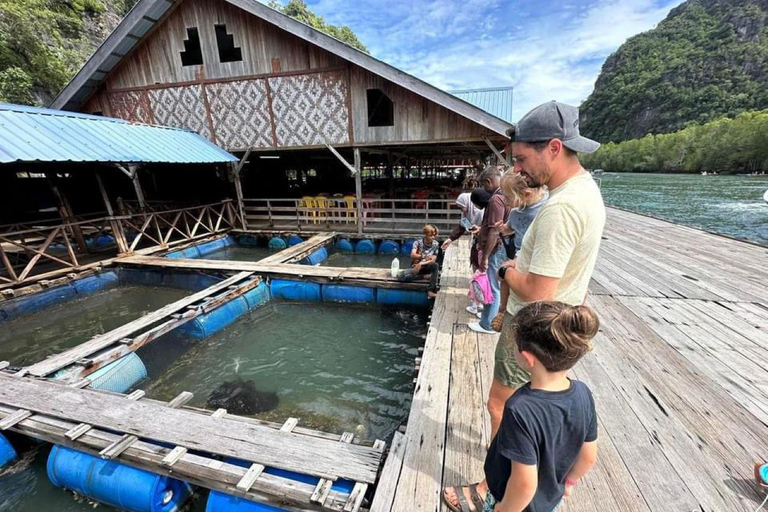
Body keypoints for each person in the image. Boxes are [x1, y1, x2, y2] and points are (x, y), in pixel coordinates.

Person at [444, 100, 605, 510]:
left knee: (503, 405)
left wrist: (508, 273)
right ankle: (541, 478)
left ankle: (490, 488)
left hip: (534, 325)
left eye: (521, 159)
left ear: (553, 147)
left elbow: (538, 290)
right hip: (559, 328)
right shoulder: (586, 191)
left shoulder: (561, 209)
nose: (517, 170)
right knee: (544, 405)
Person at [444, 301, 600, 512]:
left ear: (527, 358)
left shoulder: (520, 409)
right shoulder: (583, 393)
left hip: (514, 504)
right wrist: (569, 483)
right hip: (549, 500)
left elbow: (524, 484)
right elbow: (589, 455)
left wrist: (503, 510)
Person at [491, 173, 548, 331]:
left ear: (526, 194)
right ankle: (503, 309)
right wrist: (501, 228)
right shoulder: (516, 213)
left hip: (534, 255)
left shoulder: (546, 209)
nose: (506, 202)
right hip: (518, 253)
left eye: (508, 198)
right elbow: (510, 229)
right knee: (504, 277)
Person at [468, 168, 510, 334]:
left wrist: (484, 256)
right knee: (494, 285)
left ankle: (487, 324)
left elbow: (494, 230)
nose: (484, 190)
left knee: (491, 286)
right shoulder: (506, 196)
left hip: (495, 249)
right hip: (501, 246)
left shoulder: (495, 200)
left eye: (484, 186)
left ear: (488, 182)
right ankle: (488, 316)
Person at [397, 224, 440, 299]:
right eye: (431, 236)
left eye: (434, 236)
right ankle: (424, 277)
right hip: (416, 267)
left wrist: (421, 263)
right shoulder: (417, 243)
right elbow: (412, 255)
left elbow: (433, 259)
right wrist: (422, 257)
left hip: (427, 266)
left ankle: (430, 291)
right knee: (400, 276)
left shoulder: (436, 244)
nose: (433, 237)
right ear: (426, 235)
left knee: (435, 265)